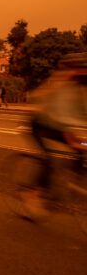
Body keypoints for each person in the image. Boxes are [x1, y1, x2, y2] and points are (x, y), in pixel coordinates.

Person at [26, 53, 87, 212]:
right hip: (40, 125)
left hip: (60, 128)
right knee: (49, 159)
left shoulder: (78, 87)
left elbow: (83, 112)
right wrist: (72, 138)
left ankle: (72, 181)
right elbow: (60, 115)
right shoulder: (60, 85)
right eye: (81, 70)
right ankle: (34, 193)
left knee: (83, 149)